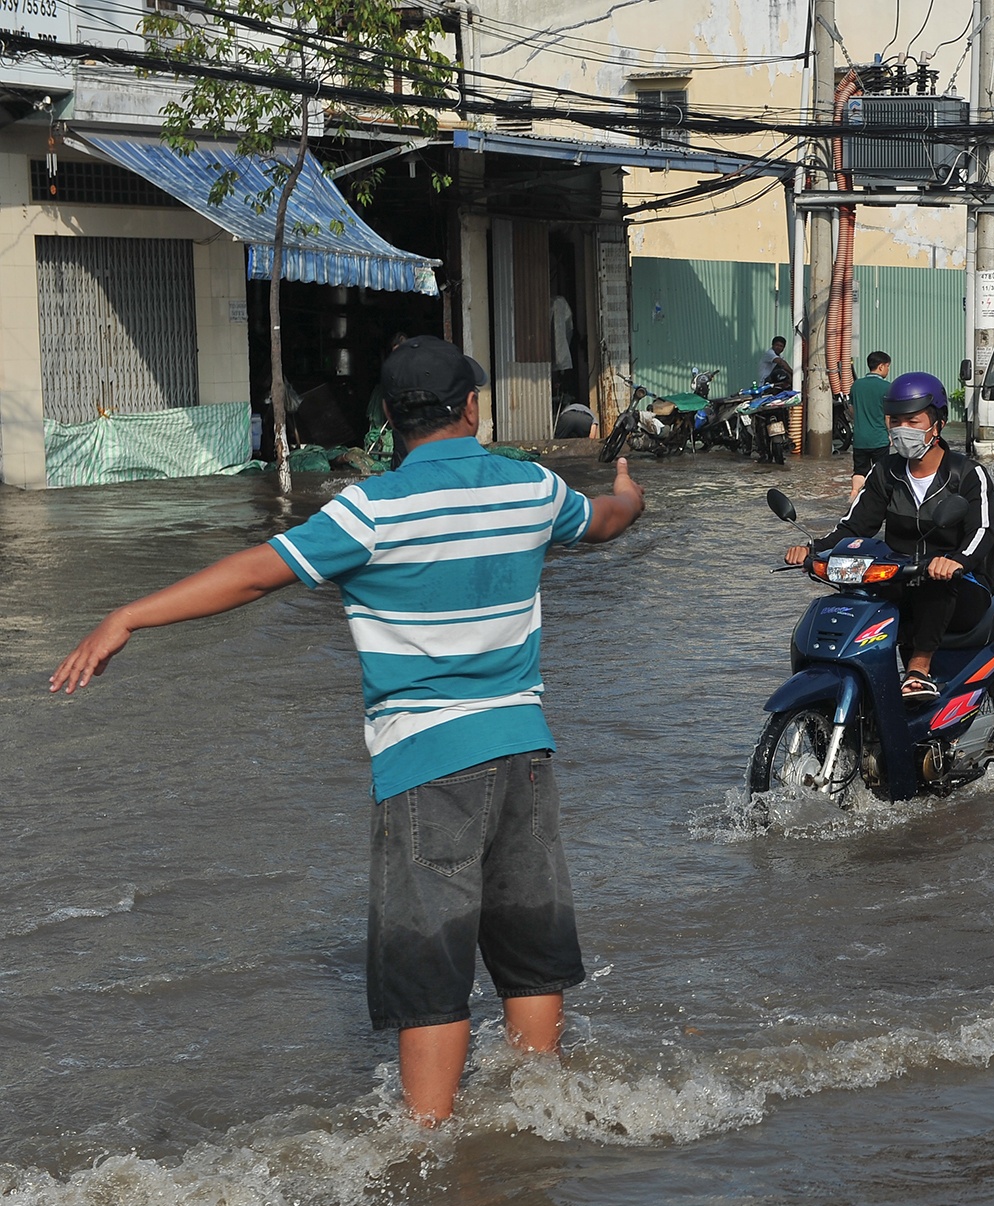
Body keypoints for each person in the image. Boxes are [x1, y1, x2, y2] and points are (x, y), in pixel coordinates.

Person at [48, 337, 647, 1124]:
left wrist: (128, 614)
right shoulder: (531, 488)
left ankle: (430, 1158)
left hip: (427, 766)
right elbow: (605, 521)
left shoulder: (369, 510)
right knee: (530, 958)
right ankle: (542, 1127)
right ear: (471, 408)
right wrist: (631, 491)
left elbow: (257, 571)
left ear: (392, 422)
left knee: (430, 971)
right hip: (524, 754)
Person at [785, 372, 994, 702]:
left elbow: (983, 530)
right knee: (850, 597)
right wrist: (813, 549)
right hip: (902, 576)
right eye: (896, 421)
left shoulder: (968, 474)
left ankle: (918, 669)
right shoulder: (886, 471)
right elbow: (854, 527)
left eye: (912, 421)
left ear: (938, 424)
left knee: (936, 585)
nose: (902, 429)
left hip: (964, 583)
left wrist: (956, 561)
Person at [848, 350, 891, 497]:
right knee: (881, 471)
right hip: (879, 438)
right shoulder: (887, 387)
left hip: (860, 439)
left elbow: (851, 410)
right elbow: (888, 416)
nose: (888, 370)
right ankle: (878, 498)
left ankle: (854, 494)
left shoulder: (856, 385)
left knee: (860, 471)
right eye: (887, 366)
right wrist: (891, 434)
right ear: (881, 367)